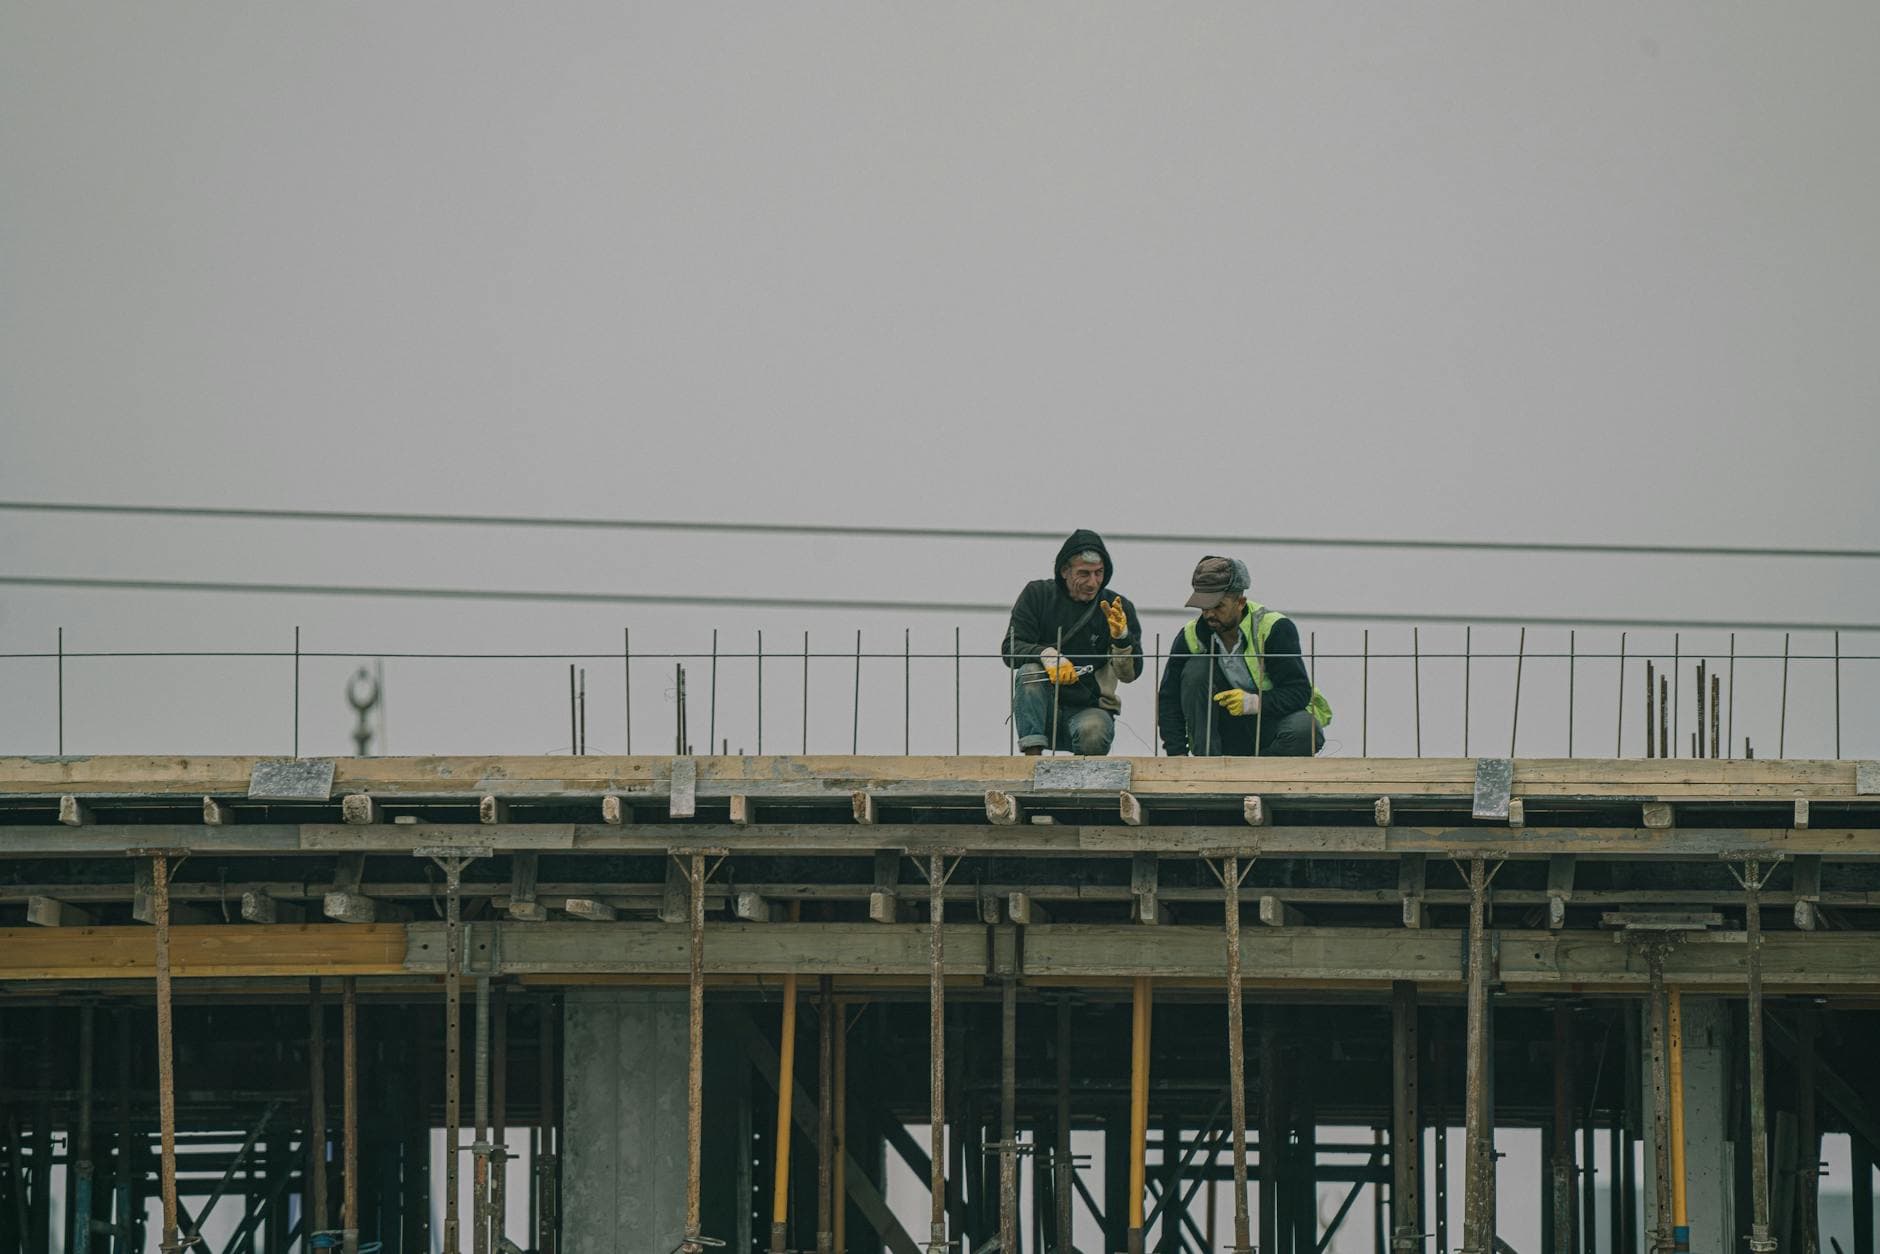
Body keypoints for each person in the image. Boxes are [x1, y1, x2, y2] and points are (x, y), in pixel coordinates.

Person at [1157, 556, 1331, 757]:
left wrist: (1252, 703)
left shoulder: (1274, 628)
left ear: (1240, 602)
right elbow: (1169, 699)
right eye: (1204, 607)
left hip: (1269, 728)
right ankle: (1206, 765)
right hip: (1223, 732)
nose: (1209, 615)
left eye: (1218, 606)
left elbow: (1298, 692)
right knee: (1197, 668)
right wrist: (1177, 756)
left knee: (1304, 729)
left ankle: (1259, 776)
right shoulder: (1191, 635)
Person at [1001, 529, 1144, 755]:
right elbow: (1010, 650)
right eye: (1084, 573)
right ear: (1065, 571)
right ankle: (1031, 762)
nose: (1093, 582)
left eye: (1099, 573)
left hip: (1091, 708)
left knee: (1094, 731)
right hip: (1044, 708)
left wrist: (1122, 638)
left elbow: (1131, 675)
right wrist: (1047, 655)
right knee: (1028, 671)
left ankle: (1084, 788)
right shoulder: (1037, 595)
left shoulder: (1116, 607)